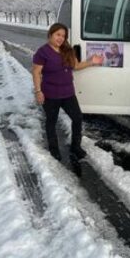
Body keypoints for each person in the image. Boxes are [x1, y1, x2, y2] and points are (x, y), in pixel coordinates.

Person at [32, 23, 99, 161]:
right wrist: (38, 91)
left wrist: (91, 61)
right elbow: (36, 72)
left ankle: (76, 146)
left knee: (77, 118)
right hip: (50, 94)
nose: (60, 38)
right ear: (50, 34)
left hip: (68, 93)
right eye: (58, 35)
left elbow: (76, 66)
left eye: (63, 36)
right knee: (51, 121)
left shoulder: (67, 50)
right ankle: (54, 149)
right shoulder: (42, 52)